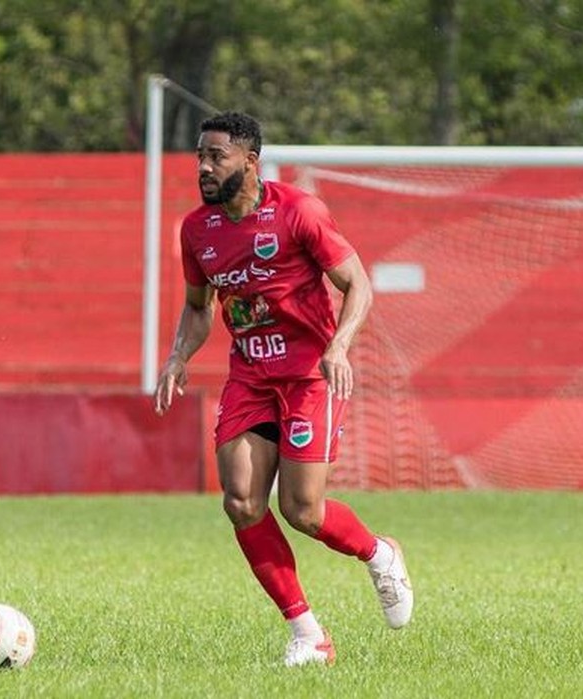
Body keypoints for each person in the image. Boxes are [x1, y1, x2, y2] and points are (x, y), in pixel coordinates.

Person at [153, 111, 413, 667]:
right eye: (199, 156)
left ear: (250, 162)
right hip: (250, 375)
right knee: (242, 501)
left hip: (308, 376)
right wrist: (179, 354)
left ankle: (378, 551)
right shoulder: (197, 228)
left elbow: (357, 283)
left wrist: (338, 346)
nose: (203, 166)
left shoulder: (298, 211)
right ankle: (309, 636)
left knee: (303, 511)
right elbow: (199, 309)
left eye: (215, 156)